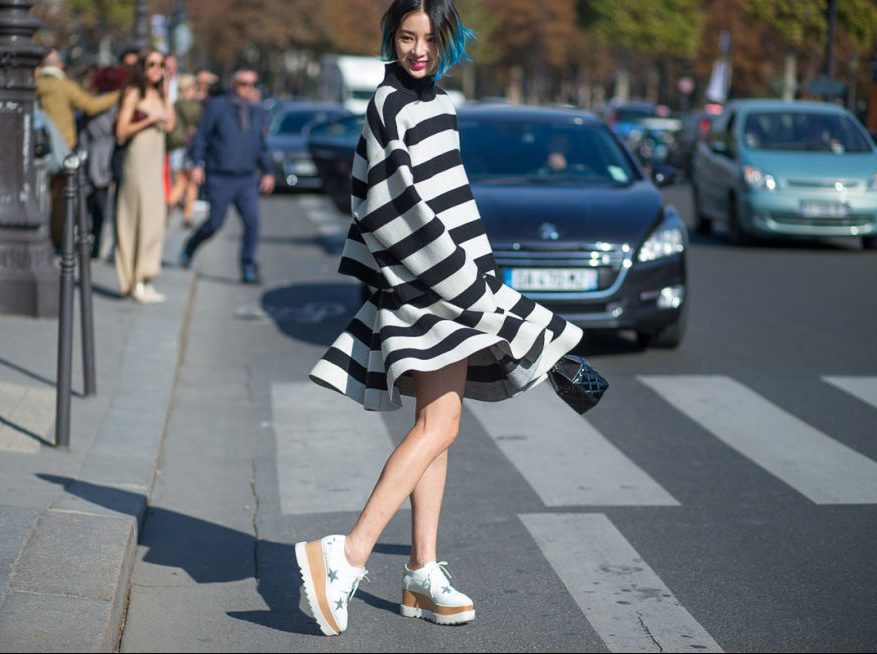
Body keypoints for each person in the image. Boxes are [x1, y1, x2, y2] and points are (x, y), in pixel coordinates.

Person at [297, 0, 583, 637]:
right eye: (406, 36)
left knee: (438, 422)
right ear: (390, 37)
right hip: (425, 286)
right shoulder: (388, 103)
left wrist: (481, 277)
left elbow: (452, 200)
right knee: (443, 423)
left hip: (453, 281)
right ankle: (346, 556)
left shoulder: (441, 104)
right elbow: (387, 207)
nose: (417, 49)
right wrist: (463, 283)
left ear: (448, 39)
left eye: (429, 38)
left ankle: (421, 572)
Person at [180, 69, 275, 284]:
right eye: (243, 83)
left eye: (252, 84)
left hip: (246, 178)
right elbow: (202, 137)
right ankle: (190, 245)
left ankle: (248, 266)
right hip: (219, 176)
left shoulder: (258, 110)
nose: (248, 88)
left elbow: (260, 145)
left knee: (253, 222)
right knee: (215, 222)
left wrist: (268, 171)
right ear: (234, 84)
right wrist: (197, 164)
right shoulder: (218, 106)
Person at [35, 49, 120, 247]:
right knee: (60, 200)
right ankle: (56, 241)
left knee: (37, 194)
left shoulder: (35, 83)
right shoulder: (64, 86)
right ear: (60, 66)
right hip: (62, 148)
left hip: (37, 147)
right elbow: (89, 105)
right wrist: (116, 96)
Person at [114, 49, 175, 303]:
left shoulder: (160, 94)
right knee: (133, 219)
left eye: (161, 65)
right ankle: (133, 280)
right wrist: (149, 120)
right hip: (137, 163)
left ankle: (145, 276)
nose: (156, 69)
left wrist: (167, 91)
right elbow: (121, 131)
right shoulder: (133, 93)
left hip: (155, 163)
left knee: (154, 220)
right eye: (151, 64)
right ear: (142, 67)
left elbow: (170, 124)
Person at [79, 65, 128, 258]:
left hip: (92, 157)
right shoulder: (115, 105)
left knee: (91, 204)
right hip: (105, 159)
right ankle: (96, 243)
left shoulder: (95, 103)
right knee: (100, 204)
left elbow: (83, 131)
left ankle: (92, 241)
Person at [166, 73, 203, 227]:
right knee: (190, 184)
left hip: (175, 147)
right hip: (190, 148)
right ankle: (179, 210)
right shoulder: (194, 107)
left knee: (180, 181)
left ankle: (173, 206)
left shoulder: (174, 105)